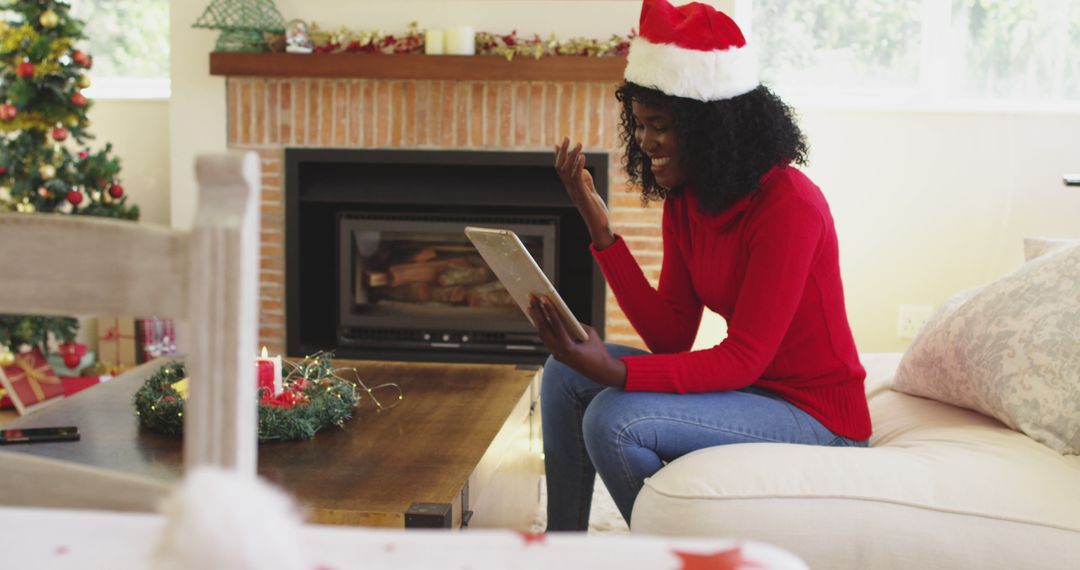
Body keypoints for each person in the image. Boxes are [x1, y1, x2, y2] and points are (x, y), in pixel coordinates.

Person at [527, 0, 872, 531]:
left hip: (818, 415)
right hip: (754, 393)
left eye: (659, 126)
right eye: (639, 126)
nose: (644, 142)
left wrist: (615, 370)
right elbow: (670, 334)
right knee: (564, 375)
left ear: (712, 126)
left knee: (613, 418)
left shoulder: (789, 205)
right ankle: (563, 546)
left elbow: (744, 358)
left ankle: (669, 551)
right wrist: (602, 232)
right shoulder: (688, 200)